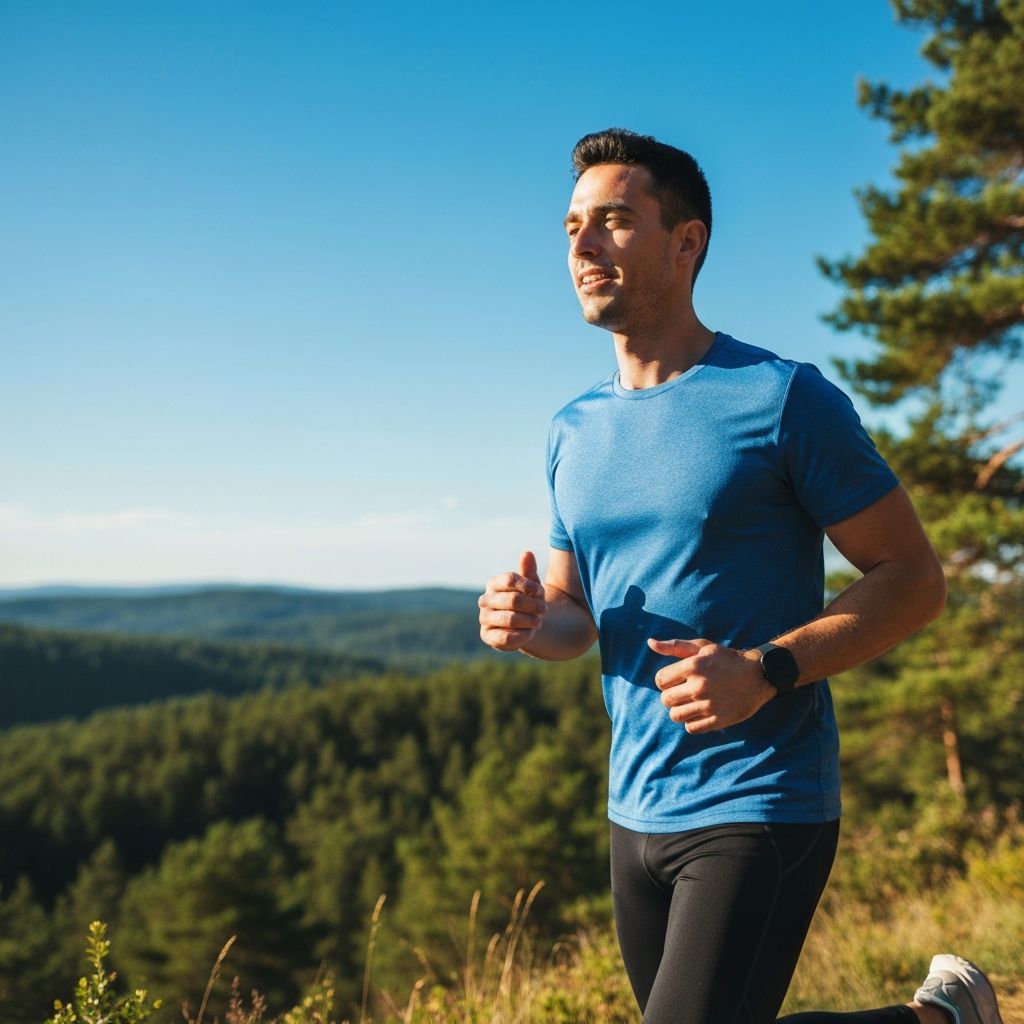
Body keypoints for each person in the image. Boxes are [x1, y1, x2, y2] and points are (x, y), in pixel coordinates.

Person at [477, 128, 1003, 1024]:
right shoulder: (573, 429)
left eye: (613, 221)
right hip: (635, 806)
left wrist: (767, 670)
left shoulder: (782, 397)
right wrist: (530, 622)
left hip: (762, 797)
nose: (581, 245)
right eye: (572, 226)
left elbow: (914, 577)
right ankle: (941, 1019)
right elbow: (574, 615)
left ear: (688, 243)